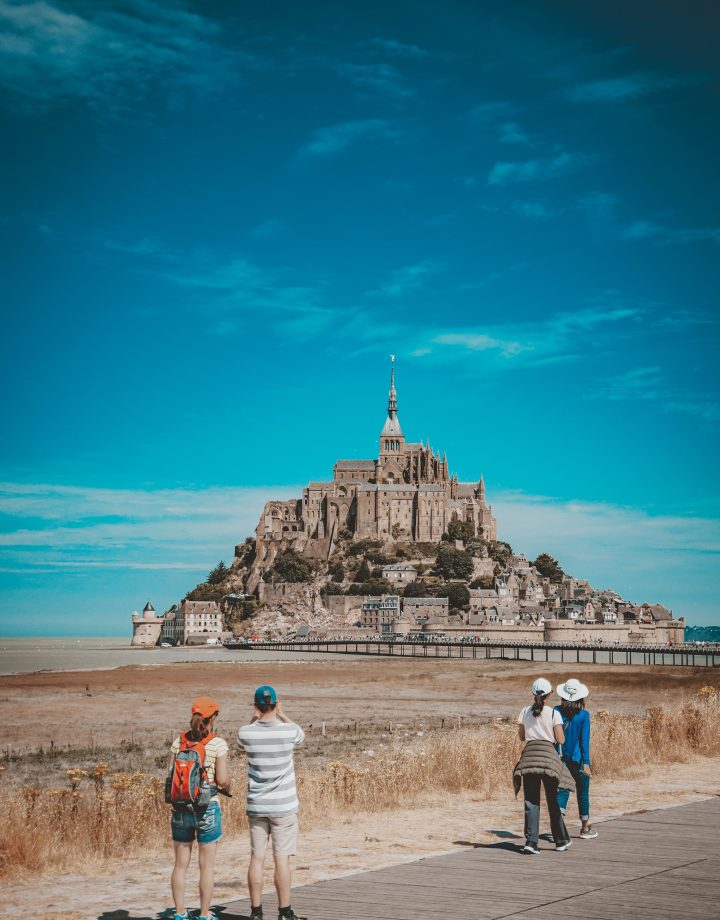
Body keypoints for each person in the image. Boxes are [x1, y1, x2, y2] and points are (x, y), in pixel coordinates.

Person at [237, 685, 306, 920]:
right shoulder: (289, 731)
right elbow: (301, 735)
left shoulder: (246, 732)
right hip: (284, 806)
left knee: (257, 857)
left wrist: (253, 718)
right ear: (275, 704)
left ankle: (256, 912)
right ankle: (284, 912)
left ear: (256, 706)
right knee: (281, 859)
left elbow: (241, 744)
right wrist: (282, 713)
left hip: (257, 805)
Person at [169, 696, 230, 920]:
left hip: (180, 808)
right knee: (206, 867)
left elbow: (171, 777)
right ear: (212, 717)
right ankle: (204, 914)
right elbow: (222, 781)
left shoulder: (179, 742)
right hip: (207, 808)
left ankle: (179, 913)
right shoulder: (217, 744)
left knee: (180, 865)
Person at [513, 677, 574, 855]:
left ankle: (531, 842)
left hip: (530, 757)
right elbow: (560, 739)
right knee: (553, 800)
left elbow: (522, 737)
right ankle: (561, 840)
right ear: (550, 694)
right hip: (548, 758)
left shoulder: (524, 711)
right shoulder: (554, 714)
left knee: (531, 801)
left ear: (533, 694)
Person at [555, 678, 598, 839]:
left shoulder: (556, 711)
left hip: (561, 760)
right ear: (580, 697)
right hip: (578, 760)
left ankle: (558, 829)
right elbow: (584, 741)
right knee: (583, 793)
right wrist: (586, 763)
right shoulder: (584, 716)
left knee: (562, 792)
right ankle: (585, 828)